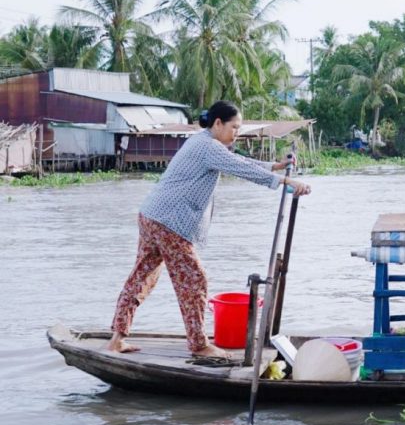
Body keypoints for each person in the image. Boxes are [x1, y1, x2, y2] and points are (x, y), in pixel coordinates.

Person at [106, 101, 312, 357]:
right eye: (234, 127)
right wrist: (285, 180)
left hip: (153, 215)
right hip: (169, 221)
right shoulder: (208, 146)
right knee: (195, 279)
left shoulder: (204, 142)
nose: (236, 132)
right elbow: (241, 168)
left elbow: (236, 160)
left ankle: (117, 338)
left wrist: (274, 168)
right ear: (218, 124)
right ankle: (199, 345)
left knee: (142, 276)